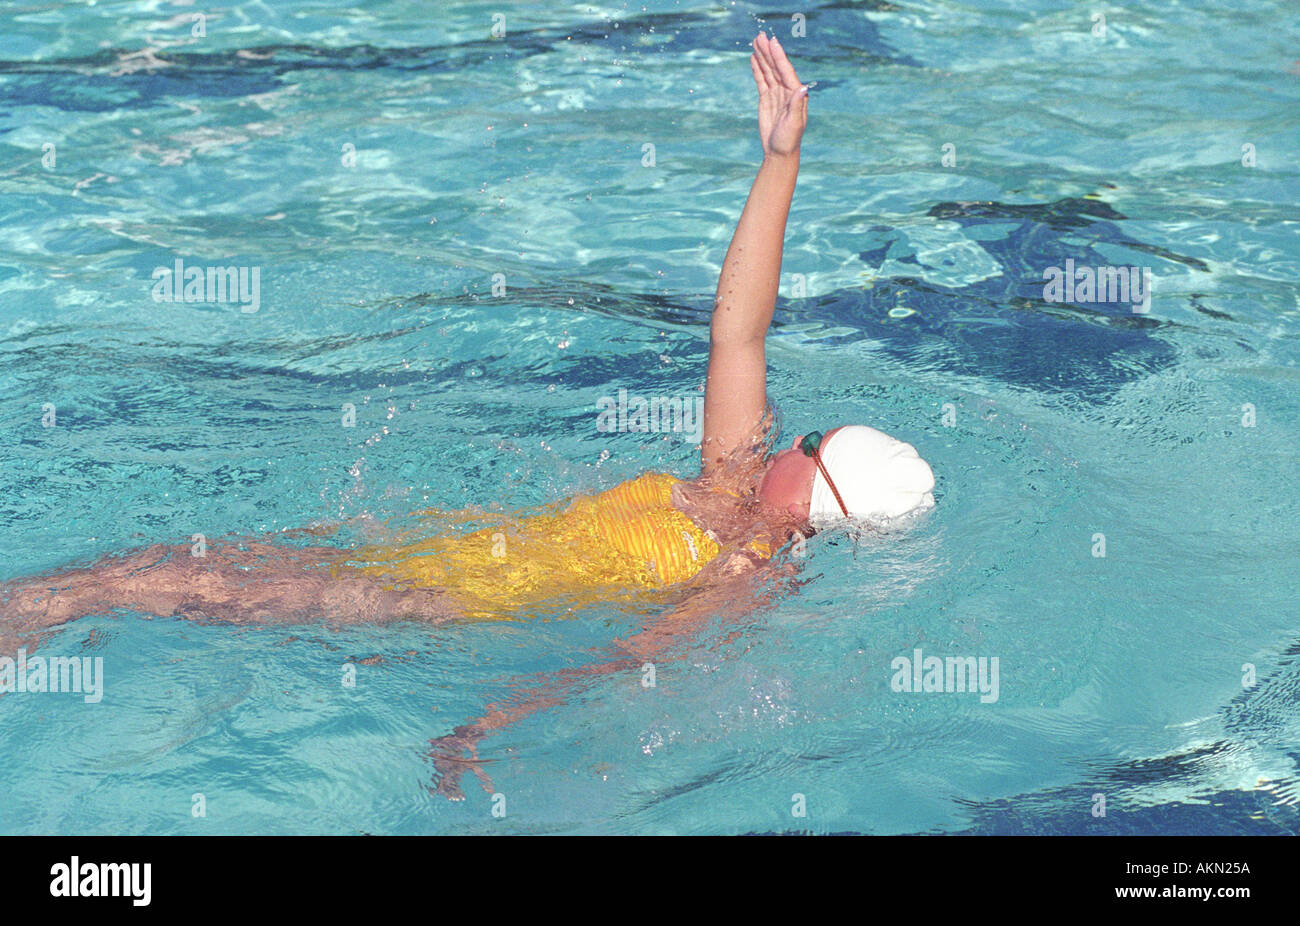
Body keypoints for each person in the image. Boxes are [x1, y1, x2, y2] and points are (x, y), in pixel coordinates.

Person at [0, 34, 934, 799]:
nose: (798, 433)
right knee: (151, 574)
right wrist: (781, 162)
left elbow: (631, 661)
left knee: (126, 584)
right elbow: (738, 332)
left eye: (815, 443)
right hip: (433, 548)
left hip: (432, 601)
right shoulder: (731, 479)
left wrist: (494, 724)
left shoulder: (743, 570)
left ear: (817, 494)